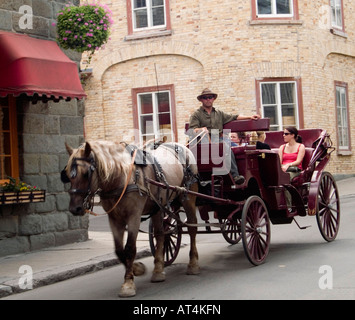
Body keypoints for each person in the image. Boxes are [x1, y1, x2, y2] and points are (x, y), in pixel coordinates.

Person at [189, 88, 261, 185]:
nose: (208, 99)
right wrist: (202, 129)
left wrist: (249, 117)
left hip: (218, 138)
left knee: (229, 147)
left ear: (213, 99)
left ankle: (235, 176)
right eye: (205, 98)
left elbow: (234, 117)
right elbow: (192, 130)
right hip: (203, 140)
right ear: (201, 100)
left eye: (210, 97)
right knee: (225, 146)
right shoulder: (197, 114)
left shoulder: (219, 113)